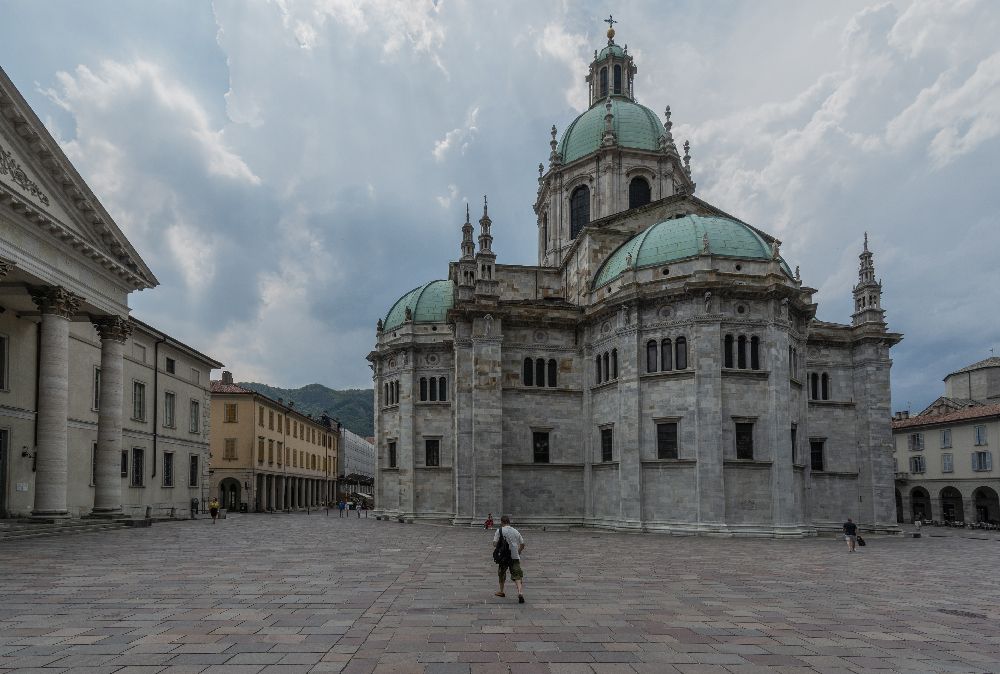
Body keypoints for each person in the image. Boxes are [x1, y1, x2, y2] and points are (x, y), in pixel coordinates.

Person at [493, 515, 526, 603]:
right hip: (514, 555)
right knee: (517, 575)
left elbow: (494, 544)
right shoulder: (515, 531)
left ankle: (501, 591)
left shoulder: (499, 530)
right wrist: (519, 551)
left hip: (503, 556)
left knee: (501, 573)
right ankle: (520, 592)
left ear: (502, 522)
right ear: (509, 522)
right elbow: (522, 544)